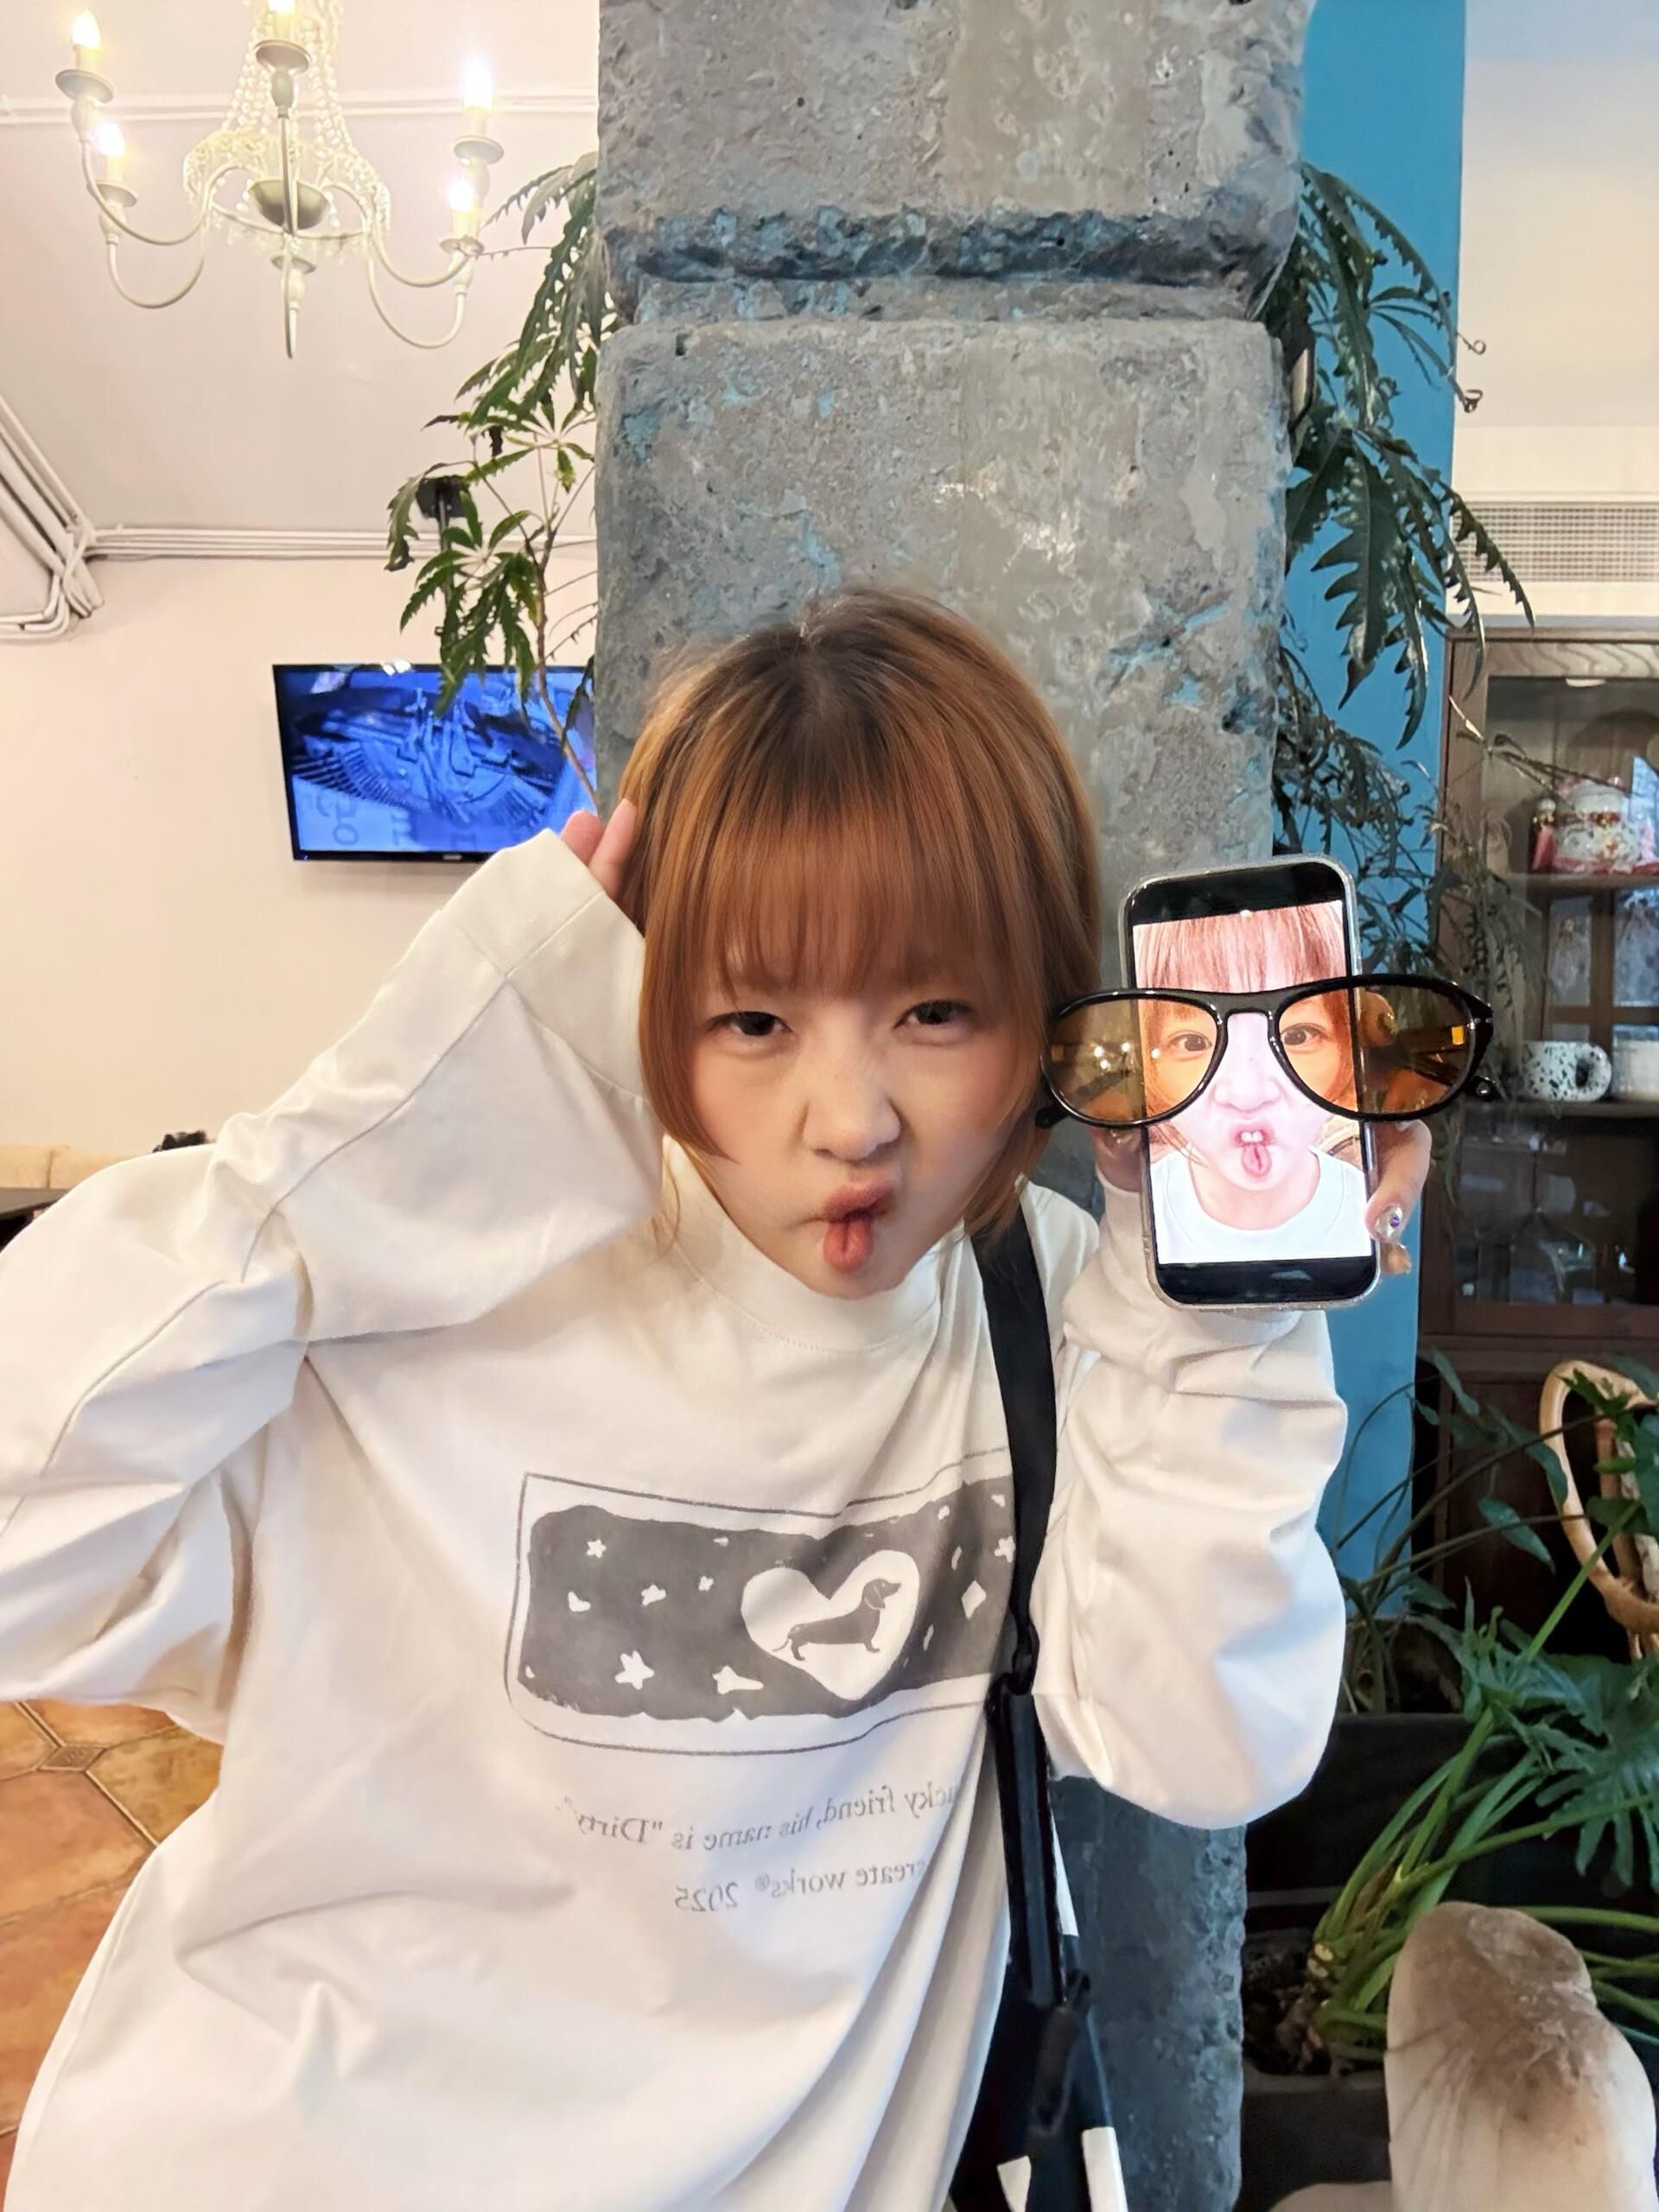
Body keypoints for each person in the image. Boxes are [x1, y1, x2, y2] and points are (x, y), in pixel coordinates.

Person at [0, 589, 1427, 2212]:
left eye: (935, 1012)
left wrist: (1218, 1321)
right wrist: (377, 1158)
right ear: (640, 1006)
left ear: (1040, 1017)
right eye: (753, 1020)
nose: (851, 1121)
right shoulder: (430, 1287)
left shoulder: (1042, 1309)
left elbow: (1205, 1744)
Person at [1135, 906, 1375, 1266]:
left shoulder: (1366, 1211)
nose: (1247, 1095)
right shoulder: (1136, 1218)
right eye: (1193, 1043)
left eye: (1297, 1036)